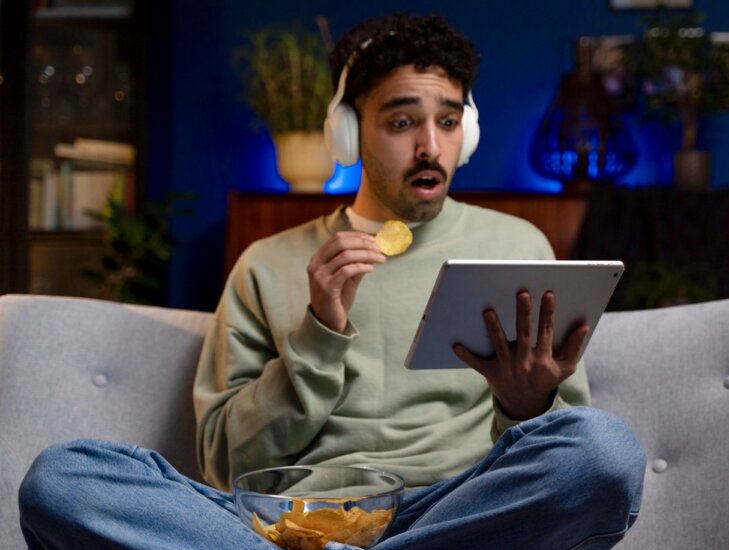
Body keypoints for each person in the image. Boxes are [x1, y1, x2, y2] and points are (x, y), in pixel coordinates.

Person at [19, 13, 645, 550]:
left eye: (449, 122)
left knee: (606, 451)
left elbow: (564, 456)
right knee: (62, 478)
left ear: (468, 132)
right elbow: (225, 464)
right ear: (347, 131)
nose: (430, 145)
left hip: (454, 511)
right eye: (402, 123)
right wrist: (318, 333)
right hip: (286, 525)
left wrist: (525, 405)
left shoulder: (518, 248)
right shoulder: (267, 263)